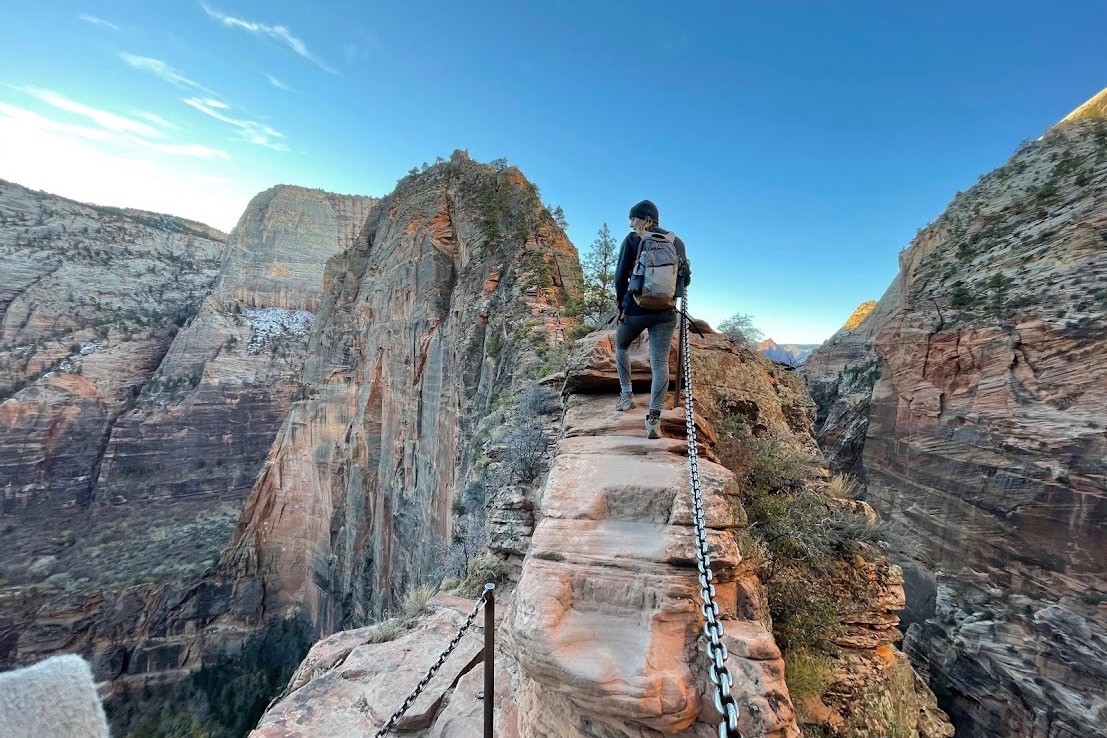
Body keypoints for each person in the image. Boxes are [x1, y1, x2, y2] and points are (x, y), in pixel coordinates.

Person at [613, 199, 690, 439]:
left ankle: (627, 396)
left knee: (621, 346)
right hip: (665, 313)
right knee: (659, 363)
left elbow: (620, 277)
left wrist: (622, 306)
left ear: (645, 218)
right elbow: (685, 280)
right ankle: (654, 420)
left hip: (636, 310)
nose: (630, 223)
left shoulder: (632, 240)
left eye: (633, 218)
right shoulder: (676, 242)